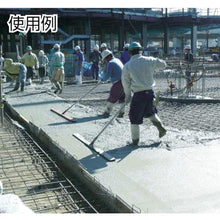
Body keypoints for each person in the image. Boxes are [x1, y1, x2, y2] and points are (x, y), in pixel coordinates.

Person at [121, 42, 167, 145]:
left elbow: (126, 84)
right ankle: (161, 127)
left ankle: (135, 141)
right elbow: (163, 64)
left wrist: (128, 96)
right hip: (150, 93)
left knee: (134, 118)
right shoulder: (149, 60)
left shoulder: (127, 66)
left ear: (130, 53)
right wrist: (154, 67)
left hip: (138, 95)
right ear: (140, 51)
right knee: (150, 112)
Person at [100, 49, 125, 118]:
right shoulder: (117, 60)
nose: (104, 60)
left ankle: (107, 112)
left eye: (104, 59)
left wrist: (102, 79)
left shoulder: (110, 63)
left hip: (118, 82)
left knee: (112, 96)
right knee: (122, 97)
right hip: (125, 81)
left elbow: (107, 75)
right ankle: (122, 112)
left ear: (106, 57)